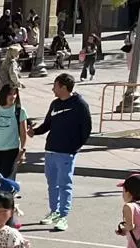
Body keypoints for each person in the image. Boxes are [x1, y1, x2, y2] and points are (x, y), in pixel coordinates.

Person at [32, 73, 92, 232]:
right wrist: (34, 131)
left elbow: (86, 129)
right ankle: (54, 211)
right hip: (51, 150)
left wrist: (75, 147)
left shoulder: (80, 104)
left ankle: (63, 216)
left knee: (64, 185)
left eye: (55, 86)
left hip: (67, 153)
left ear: (64, 87)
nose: (53, 89)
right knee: (52, 184)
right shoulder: (55, 104)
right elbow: (47, 125)